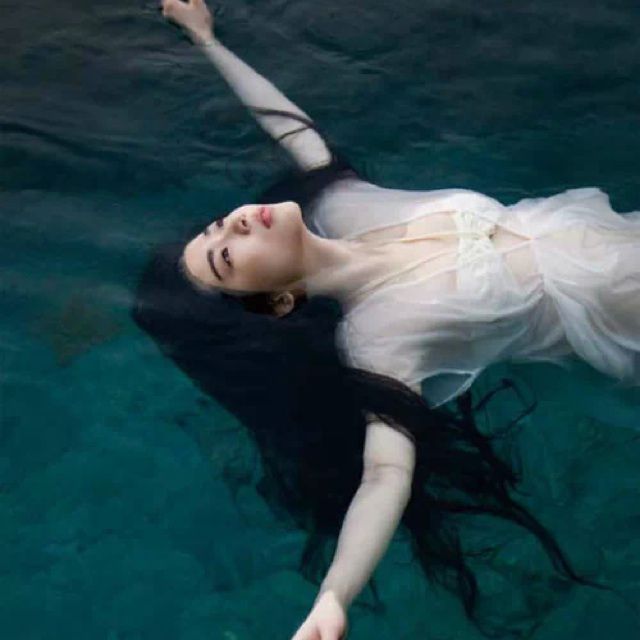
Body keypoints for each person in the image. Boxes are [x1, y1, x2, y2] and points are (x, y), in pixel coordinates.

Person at [134, 1, 637, 638]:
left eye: (216, 226)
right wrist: (334, 596)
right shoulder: (378, 339)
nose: (233, 222)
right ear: (277, 303)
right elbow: (384, 475)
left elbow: (290, 129)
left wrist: (207, 41)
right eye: (227, 258)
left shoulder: (343, 204)